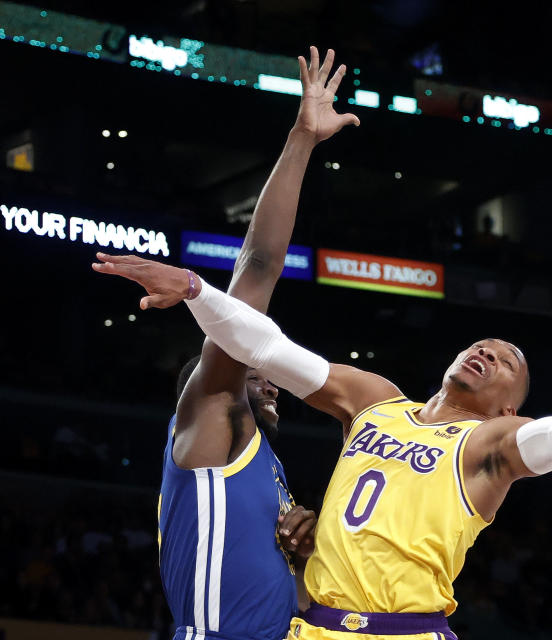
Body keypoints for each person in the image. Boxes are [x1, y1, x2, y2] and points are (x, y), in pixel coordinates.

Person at [94, 256, 552, 640]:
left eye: (506, 361)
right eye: (483, 344)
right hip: (314, 630)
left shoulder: (488, 442)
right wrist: (199, 292)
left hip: (406, 633)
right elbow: (266, 349)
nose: (487, 352)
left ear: (509, 406)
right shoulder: (375, 401)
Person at [147, 46, 359, 640]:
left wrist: (307, 547)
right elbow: (259, 267)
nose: (267, 377)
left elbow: (289, 597)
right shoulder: (214, 415)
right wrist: (302, 138)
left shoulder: (262, 462)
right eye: (247, 370)